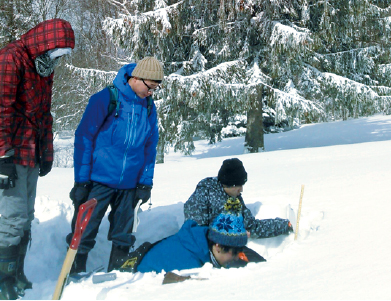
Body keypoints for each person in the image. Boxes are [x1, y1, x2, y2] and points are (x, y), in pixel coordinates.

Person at [66, 57, 163, 275]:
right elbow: (84, 137)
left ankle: (117, 273)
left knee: (123, 234)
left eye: (155, 89)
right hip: (98, 180)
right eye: (150, 87)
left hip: (129, 185)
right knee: (84, 229)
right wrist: (81, 181)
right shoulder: (107, 98)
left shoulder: (148, 107)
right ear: (136, 78)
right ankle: (75, 270)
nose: (151, 93)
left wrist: (145, 182)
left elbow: (150, 146)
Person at [0, 19, 75, 299]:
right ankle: (3, 280)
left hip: (30, 151)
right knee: (13, 217)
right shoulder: (11, 58)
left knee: (26, 216)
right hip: (11, 152)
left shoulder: (43, 66)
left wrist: (47, 152)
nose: (58, 59)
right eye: (57, 52)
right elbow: (1, 108)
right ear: (45, 43)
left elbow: (44, 113)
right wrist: (2, 157)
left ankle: (17, 274)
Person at [183, 158, 293, 265]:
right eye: (238, 186)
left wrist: (283, 225)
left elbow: (251, 225)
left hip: (231, 247)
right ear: (228, 184)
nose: (241, 190)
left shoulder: (235, 198)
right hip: (208, 253)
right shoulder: (203, 195)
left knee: (261, 266)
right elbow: (195, 232)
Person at [112, 198, 248, 284]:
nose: (238, 256)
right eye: (235, 252)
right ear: (218, 246)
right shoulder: (188, 265)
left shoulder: (200, 240)